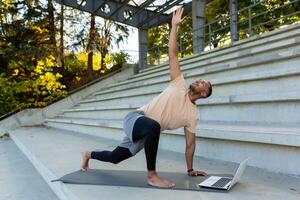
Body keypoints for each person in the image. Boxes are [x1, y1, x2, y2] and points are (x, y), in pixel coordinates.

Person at [81, 7, 212, 189]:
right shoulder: (179, 84)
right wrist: (174, 26)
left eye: (202, 83)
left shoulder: (192, 115)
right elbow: (173, 54)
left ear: (204, 94)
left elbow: (190, 144)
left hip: (146, 133)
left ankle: (88, 154)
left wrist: (190, 170)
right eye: (199, 80)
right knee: (154, 126)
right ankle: (152, 175)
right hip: (136, 118)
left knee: (115, 158)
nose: (198, 81)